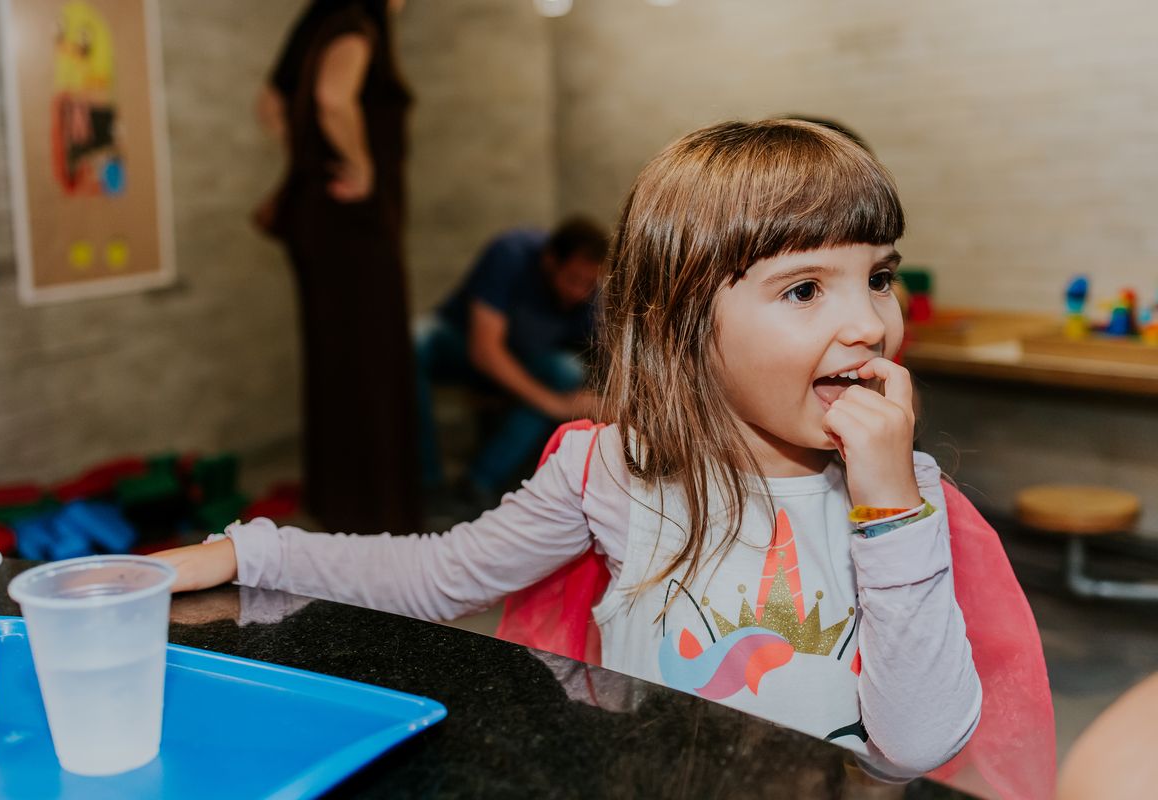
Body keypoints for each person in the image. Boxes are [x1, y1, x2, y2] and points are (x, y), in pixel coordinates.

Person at [157, 120, 981, 780]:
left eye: (879, 275)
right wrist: (249, 552)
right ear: (683, 322)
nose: (872, 323)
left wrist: (890, 509)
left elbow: (918, 746)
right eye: (805, 289)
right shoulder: (610, 471)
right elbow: (439, 577)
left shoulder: (903, 497)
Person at [255, 0, 418, 535]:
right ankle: (375, 516)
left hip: (319, 218)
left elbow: (270, 104)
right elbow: (331, 98)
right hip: (350, 224)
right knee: (371, 362)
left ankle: (340, 506)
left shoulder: (319, 18)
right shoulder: (356, 22)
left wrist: (304, 161)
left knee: (336, 362)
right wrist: (362, 167)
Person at [417, 219, 608, 499]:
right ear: (550, 261)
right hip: (458, 345)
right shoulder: (511, 254)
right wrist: (556, 405)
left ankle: (477, 484)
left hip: (524, 358)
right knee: (415, 343)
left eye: (589, 284)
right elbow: (484, 351)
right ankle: (425, 484)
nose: (580, 292)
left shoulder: (593, 296)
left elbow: (618, 359)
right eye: (572, 281)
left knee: (567, 371)